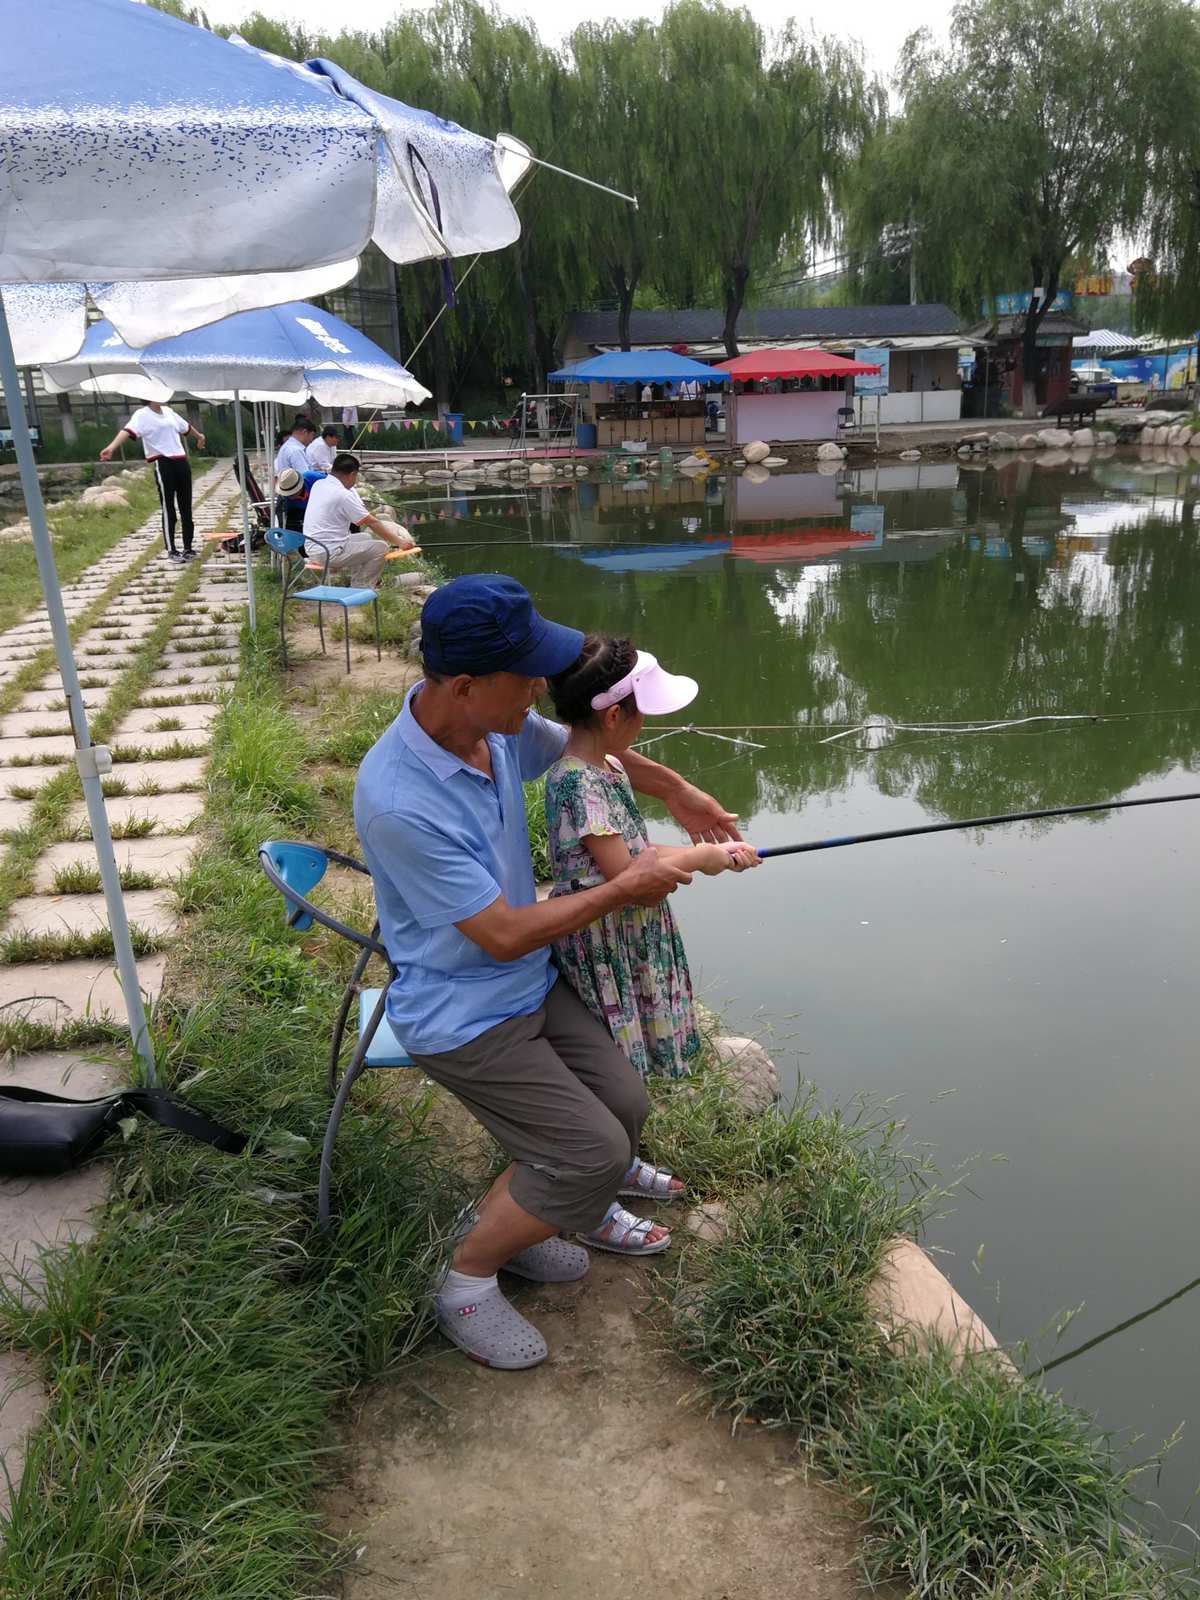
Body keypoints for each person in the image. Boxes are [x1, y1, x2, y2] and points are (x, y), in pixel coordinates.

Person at [353, 575, 742, 1370]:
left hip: (528, 983)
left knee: (625, 1101)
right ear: (465, 685)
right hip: (463, 1013)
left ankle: (552, 1208)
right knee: (592, 1150)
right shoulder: (399, 800)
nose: (540, 692)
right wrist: (625, 886)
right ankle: (464, 1278)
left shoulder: (490, 727)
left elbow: (588, 754)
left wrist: (682, 791)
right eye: (526, 677)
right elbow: (498, 933)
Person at [544, 638, 758, 1080]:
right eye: (641, 714)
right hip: (605, 933)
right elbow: (628, 879)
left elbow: (636, 853)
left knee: (646, 1019)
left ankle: (656, 1085)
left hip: (628, 929)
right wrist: (700, 859)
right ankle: (633, 1101)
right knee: (620, 1033)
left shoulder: (609, 767)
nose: (644, 725)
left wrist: (714, 852)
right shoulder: (578, 782)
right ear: (614, 715)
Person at [100, 401, 204, 563]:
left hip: (181, 462)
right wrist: (111, 447)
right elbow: (127, 431)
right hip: (163, 463)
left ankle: (188, 547)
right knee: (168, 507)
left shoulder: (169, 412)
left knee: (186, 507)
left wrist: (199, 437)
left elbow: (186, 427)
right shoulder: (142, 415)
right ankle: (172, 550)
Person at [302, 451, 413, 586]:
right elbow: (372, 522)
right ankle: (361, 588)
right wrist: (400, 542)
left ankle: (356, 581)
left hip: (312, 547)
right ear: (353, 474)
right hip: (327, 552)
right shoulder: (343, 495)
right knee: (381, 547)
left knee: (364, 538)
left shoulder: (318, 485)